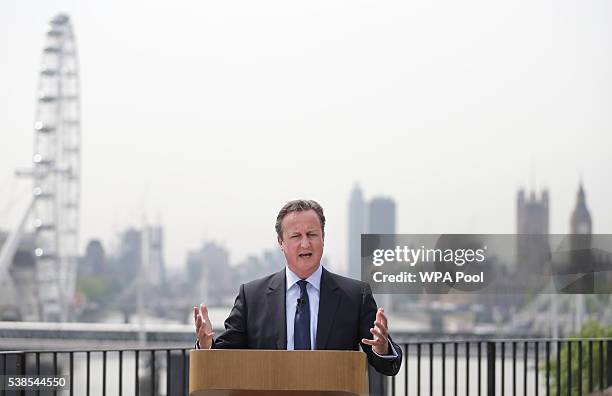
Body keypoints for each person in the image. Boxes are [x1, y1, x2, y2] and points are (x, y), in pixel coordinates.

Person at [194, 199, 402, 376]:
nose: (305, 244)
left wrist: (382, 348)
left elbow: (388, 366)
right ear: (281, 242)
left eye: (312, 234)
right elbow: (223, 357)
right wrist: (206, 345)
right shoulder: (252, 296)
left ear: (323, 238)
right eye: (295, 236)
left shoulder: (355, 295)